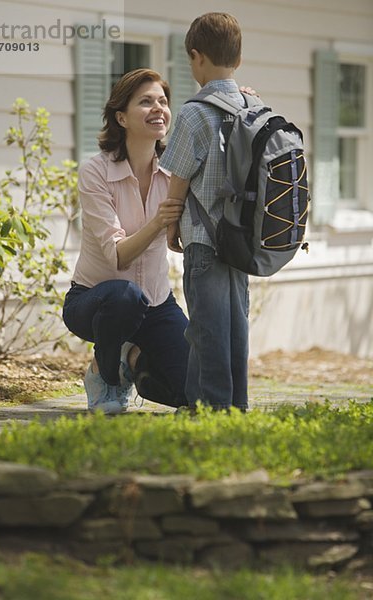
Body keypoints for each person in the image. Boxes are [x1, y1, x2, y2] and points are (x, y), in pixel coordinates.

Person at [63, 69, 189, 415]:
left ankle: (130, 357)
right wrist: (159, 222)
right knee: (126, 296)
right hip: (95, 302)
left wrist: (239, 106)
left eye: (163, 102)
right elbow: (118, 256)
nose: (158, 109)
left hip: (156, 304)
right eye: (145, 102)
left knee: (194, 391)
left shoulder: (174, 174)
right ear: (121, 117)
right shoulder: (96, 172)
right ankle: (105, 373)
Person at [160, 13, 249, 412]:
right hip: (242, 238)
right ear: (238, 59)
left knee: (207, 329)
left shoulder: (195, 112)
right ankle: (218, 404)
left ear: (196, 58)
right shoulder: (252, 104)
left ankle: (213, 410)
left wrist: (169, 228)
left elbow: (178, 180)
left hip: (204, 238)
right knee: (233, 326)